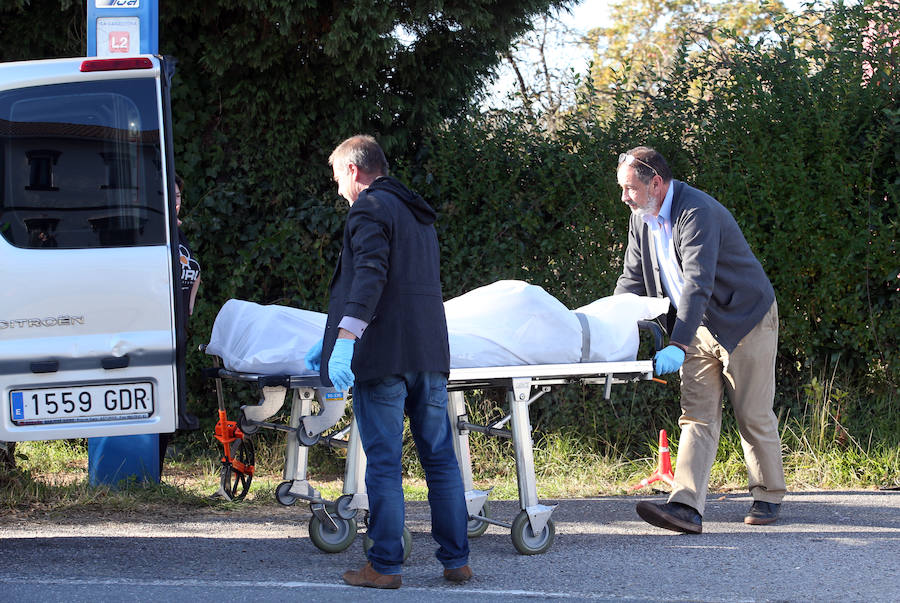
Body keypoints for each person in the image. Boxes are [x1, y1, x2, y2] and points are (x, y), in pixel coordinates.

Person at [305, 135, 471, 588]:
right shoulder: (420, 216)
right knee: (440, 459)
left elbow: (371, 275)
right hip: (429, 353)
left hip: (384, 355)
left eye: (339, 177)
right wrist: (330, 339)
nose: (339, 188)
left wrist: (344, 339)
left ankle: (384, 566)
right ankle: (457, 561)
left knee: (383, 463)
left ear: (355, 171)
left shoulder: (369, 209)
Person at [614, 146, 785, 533]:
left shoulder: (696, 212)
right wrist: (610, 324)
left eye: (630, 189)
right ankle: (686, 506)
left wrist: (677, 343)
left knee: (752, 413)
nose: (624, 197)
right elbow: (631, 281)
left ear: (655, 183)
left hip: (744, 318)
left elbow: (697, 283)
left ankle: (769, 494)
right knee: (696, 415)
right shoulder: (641, 218)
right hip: (695, 326)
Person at [160, 174, 201, 473]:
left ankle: (154, 472)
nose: (175, 202)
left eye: (177, 197)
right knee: (162, 399)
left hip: (178, 327)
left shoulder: (178, 233)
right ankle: (149, 471)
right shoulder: (155, 232)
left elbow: (194, 270)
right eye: (169, 196)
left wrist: (190, 304)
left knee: (172, 399)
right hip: (159, 328)